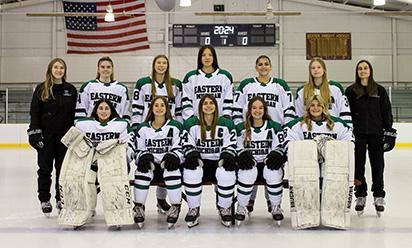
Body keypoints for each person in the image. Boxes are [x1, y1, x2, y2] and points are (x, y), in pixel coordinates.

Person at [233, 55, 296, 213]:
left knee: (273, 167)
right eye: (260, 64)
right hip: (250, 130)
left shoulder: (280, 85)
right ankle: (249, 200)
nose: (263, 67)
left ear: (270, 67)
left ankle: (272, 202)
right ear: (256, 67)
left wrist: (285, 131)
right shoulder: (247, 84)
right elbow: (236, 107)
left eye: (266, 64)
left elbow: (288, 109)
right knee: (249, 165)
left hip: (273, 133)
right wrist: (239, 128)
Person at [286, 95, 353, 229]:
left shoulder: (338, 124)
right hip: (307, 168)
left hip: (331, 166)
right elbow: (290, 144)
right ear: (308, 107)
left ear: (324, 107)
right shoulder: (299, 125)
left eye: (319, 105)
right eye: (312, 105)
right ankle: (307, 214)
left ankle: (334, 214)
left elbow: (349, 143)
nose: (315, 108)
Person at [132, 55, 183, 213]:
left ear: (168, 66)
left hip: (169, 127)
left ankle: (161, 200)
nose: (161, 66)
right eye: (158, 63)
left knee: (168, 163)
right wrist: (136, 127)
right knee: (147, 164)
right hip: (148, 127)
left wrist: (179, 128)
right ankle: (139, 204)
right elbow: (137, 107)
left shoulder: (175, 84)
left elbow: (179, 109)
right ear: (153, 65)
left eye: (164, 63)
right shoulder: (143, 83)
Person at [345, 60, 396, 216]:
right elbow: (346, 112)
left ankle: (379, 195)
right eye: (360, 68)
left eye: (365, 68)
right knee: (358, 166)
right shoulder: (351, 91)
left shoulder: (379, 90)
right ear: (357, 72)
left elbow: (386, 111)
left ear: (370, 70)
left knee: (378, 166)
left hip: (376, 133)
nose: (363, 71)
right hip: (358, 134)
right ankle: (360, 195)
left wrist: (388, 131)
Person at [27, 58, 77, 216]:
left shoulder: (70, 90)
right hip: (46, 137)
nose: (58, 70)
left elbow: (74, 114)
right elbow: (34, 113)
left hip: (64, 138)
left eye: (61, 68)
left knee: (63, 171)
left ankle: (61, 199)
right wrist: (35, 133)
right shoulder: (42, 89)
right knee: (44, 169)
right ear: (50, 70)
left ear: (65, 71)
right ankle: (44, 199)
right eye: (56, 67)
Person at [182, 95, 237, 228]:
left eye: (211, 103)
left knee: (227, 173)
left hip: (218, 162)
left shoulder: (226, 123)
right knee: (191, 172)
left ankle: (224, 208)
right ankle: (193, 208)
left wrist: (227, 155)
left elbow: (231, 144)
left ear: (216, 106)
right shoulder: (191, 123)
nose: (208, 106)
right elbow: (186, 143)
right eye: (205, 103)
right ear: (200, 106)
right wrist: (192, 154)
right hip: (201, 163)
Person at [75, 99, 135, 220]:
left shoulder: (121, 125)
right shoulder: (84, 125)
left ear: (112, 110)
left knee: (115, 181)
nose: (103, 111)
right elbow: (77, 146)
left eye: (107, 108)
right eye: (100, 108)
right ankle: (86, 208)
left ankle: (117, 209)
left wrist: (124, 161)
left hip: (115, 165)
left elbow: (129, 147)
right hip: (92, 164)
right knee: (87, 180)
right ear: (95, 110)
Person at [133, 96, 184, 229]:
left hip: (167, 165)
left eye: (162, 105)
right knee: (142, 171)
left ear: (167, 108)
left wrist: (174, 156)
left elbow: (181, 148)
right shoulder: (143, 128)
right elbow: (137, 149)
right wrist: (143, 156)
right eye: (156, 105)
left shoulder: (175, 126)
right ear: (151, 108)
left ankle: (175, 206)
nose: (159, 108)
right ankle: (139, 206)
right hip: (151, 167)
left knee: (172, 169)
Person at [235, 96, 286, 226]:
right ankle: (241, 206)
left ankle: (275, 206)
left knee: (273, 172)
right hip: (250, 163)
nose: (257, 111)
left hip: (266, 162)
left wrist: (276, 155)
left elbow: (279, 146)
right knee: (247, 172)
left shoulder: (274, 127)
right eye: (254, 108)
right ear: (249, 110)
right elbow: (236, 146)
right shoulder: (241, 128)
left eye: (260, 108)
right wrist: (241, 155)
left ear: (265, 110)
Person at [182, 45, 233, 121]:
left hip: (219, 122)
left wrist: (226, 117)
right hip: (197, 122)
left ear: (214, 57)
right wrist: (191, 118)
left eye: (210, 55)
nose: (207, 58)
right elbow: (186, 101)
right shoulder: (191, 77)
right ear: (200, 58)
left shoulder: (225, 76)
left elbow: (228, 100)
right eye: (203, 55)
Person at [295, 57, 351, 125]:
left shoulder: (335, 88)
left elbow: (344, 110)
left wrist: (348, 127)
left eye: (319, 67)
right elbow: (299, 113)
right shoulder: (302, 91)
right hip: (310, 129)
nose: (316, 70)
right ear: (310, 71)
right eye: (313, 68)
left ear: (324, 69)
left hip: (333, 127)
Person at [75, 56, 130, 121]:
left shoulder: (121, 88)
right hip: (92, 125)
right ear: (98, 69)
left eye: (108, 67)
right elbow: (81, 110)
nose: (105, 69)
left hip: (115, 126)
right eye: (102, 67)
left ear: (112, 69)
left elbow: (125, 112)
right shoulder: (88, 86)